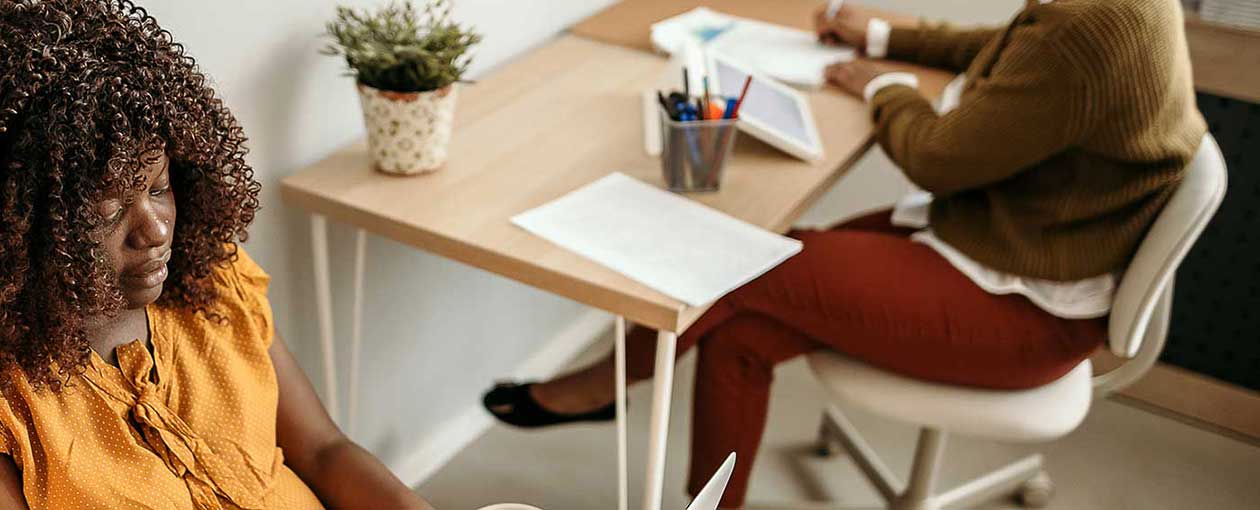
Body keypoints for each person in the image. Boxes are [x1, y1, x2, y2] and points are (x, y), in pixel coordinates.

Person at [483, 0, 1206, 508]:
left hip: (1027, 309)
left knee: (745, 264)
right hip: (1004, 243)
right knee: (744, 324)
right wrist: (885, 35)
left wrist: (884, 87)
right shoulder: (1102, 9)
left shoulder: (1097, 25)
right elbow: (1008, 49)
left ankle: (600, 387)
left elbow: (939, 157)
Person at [0, 1, 433, 508]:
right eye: (108, 212)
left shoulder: (212, 279)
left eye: (159, 187)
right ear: (21, 228)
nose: (156, 228)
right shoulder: (16, 410)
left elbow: (323, 452)